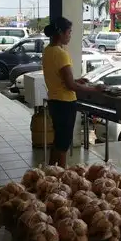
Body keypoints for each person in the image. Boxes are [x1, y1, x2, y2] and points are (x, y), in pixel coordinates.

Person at [42, 16, 96, 167]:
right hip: (65, 103)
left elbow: (60, 77)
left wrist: (77, 80)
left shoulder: (47, 51)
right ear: (61, 33)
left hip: (54, 101)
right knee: (64, 143)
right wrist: (94, 89)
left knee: (58, 140)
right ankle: (62, 176)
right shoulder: (61, 54)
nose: (70, 36)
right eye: (69, 32)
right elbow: (71, 86)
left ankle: (50, 172)